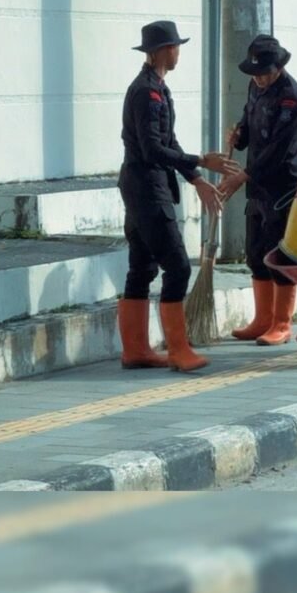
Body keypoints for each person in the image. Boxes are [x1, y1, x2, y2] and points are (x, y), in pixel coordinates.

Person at [117, 20, 238, 372]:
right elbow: (153, 149)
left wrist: (197, 178)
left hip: (143, 184)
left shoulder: (157, 88)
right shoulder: (146, 92)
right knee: (178, 266)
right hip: (146, 187)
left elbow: (169, 142)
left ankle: (136, 350)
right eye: (174, 47)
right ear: (162, 52)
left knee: (142, 267)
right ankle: (178, 350)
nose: (177, 53)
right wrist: (200, 160)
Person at [218, 35, 297, 346]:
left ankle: (281, 323)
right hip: (256, 182)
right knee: (256, 252)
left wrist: (242, 176)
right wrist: (238, 136)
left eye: (264, 73)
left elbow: (278, 149)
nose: (258, 78)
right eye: (254, 73)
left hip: (282, 183)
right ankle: (262, 319)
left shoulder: (292, 97)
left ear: (278, 67)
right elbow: (248, 121)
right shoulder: (255, 86)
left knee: (278, 252)